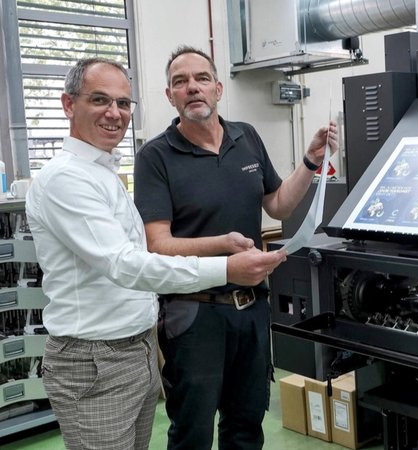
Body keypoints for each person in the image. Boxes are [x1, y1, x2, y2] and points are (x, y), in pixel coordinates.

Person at [25, 57, 285, 450]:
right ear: (68, 104)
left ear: (218, 88)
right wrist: (225, 267)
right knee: (191, 431)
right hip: (96, 358)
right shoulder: (67, 178)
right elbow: (126, 263)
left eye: (123, 103)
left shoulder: (101, 171)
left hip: (134, 347)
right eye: (99, 100)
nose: (114, 113)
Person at [133, 45, 337, 450]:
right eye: (180, 82)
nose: (192, 87)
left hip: (251, 309)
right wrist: (224, 246)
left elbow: (278, 204)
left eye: (201, 78)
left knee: (246, 427)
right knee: (192, 433)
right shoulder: (155, 156)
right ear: (170, 96)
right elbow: (158, 245)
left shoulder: (247, 137)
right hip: (194, 314)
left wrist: (310, 162)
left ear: (218, 88)